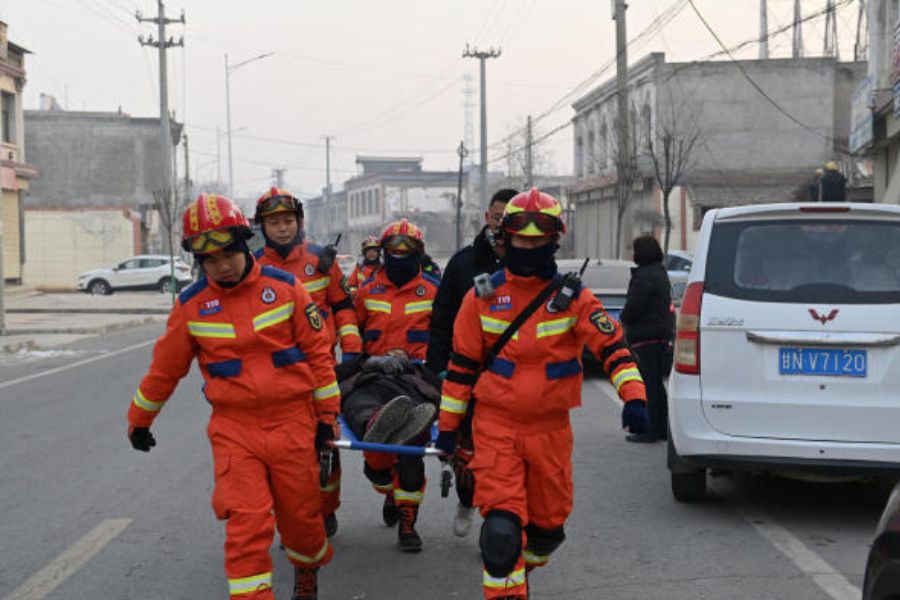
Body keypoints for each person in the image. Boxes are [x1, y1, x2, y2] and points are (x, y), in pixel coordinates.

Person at [434, 188, 648, 600]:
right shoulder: (481, 297)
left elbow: (614, 350)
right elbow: (461, 370)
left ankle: (521, 566)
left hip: (550, 432)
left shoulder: (573, 299)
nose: (528, 246)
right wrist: (447, 428)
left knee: (547, 530)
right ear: (506, 237)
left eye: (537, 240)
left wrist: (635, 397)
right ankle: (508, 577)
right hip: (496, 428)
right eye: (521, 238)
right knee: (500, 534)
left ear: (553, 240)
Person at [126, 193, 340, 600]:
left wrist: (327, 416)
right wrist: (139, 419)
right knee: (246, 524)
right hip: (234, 430)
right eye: (210, 260)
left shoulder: (287, 289)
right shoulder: (191, 307)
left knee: (302, 522)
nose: (221, 265)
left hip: (293, 422)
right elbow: (165, 370)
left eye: (228, 254)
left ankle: (307, 568)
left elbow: (319, 356)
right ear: (198, 261)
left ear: (244, 244)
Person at [253, 186, 361, 538]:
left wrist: (353, 350)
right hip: (274, 381)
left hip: (320, 373)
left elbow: (344, 306)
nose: (282, 228)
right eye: (273, 223)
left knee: (325, 448)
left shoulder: (321, 262)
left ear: (298, 222)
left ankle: (326, 510)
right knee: (284, 459)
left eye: (287, 221)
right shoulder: (252, 267)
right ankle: (296, 522)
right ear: (262, 228)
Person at [426, 187, 517, 537]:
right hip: (466, 376)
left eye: (511, 220)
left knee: (503, 458)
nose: (502, 226)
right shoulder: (464, 263)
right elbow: (441, 317)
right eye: (498, 218)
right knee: (467, 453)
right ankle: (467, 499)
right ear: (487, 218)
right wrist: (437, 368)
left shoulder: (527, 266)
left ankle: (499, 528)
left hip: (512, 384)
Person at [354, 218, 441, 552]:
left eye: (408, 250)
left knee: (411, 448)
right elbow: (351, 335)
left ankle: (408, 522)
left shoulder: (433, 290)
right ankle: (386, 485)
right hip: (375, 374)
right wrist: (365, 362)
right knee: (376, 456)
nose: (400, 255)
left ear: (419, 253)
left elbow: (446, 338)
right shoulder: (366, 291)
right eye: (394, 249)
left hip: (416, 377)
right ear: (384, 252)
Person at [620, 235, 676, 444]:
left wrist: (625, 317)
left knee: (649, 384)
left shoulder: (645, 276)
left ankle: (651, 429)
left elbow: (635, 305)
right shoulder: (659, 272)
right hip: (658, 333)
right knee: (655, 384)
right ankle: (661, 427)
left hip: (646, 335)